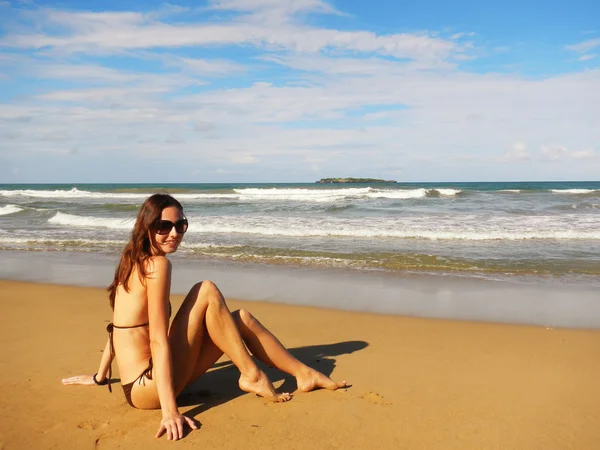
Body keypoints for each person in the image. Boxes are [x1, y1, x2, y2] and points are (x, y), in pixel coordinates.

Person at [62, 193, 346, 441]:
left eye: (180, 225)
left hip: (138, 386)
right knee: (206, 290)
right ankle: (253, 375)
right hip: (148, 388)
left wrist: (100, 377)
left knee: (240, 319)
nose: (174, 233)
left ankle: (305, 375)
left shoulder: (130, 262)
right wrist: (169, 412)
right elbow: (158, 341)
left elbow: (118, 329)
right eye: (163, 226)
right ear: (146, 228)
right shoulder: (158, 265)